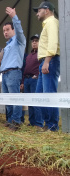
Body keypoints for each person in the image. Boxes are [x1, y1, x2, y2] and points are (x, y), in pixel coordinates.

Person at [0, 7, 26, 131]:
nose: (5, 32)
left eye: (7, 29)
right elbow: (4, 63)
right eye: (4, 31)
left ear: (13, 29)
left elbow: (20, 30)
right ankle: (9, 120)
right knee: (8, 99)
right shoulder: (7, 46)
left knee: (14, 98)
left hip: (14, 72)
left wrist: (14, 17)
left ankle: (16, 122)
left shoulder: (18, 41)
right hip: (5, 73)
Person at [33, 1, 60, 132]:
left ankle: (52, 126)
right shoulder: (47, 24)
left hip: (50, 61)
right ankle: (47, 124)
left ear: (47, 10)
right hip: (45, 62)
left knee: (49, 94)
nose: (37, 13)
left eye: (39, 10)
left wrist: (47, 61)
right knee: (40, 95)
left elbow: (53, 42)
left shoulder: (52, 22)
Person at [20, 34, 43, 128]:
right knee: (29, 102)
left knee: (36, 101)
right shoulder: (29, 56)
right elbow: (24, 69)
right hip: (27, 79)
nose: (34, 42)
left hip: (35, 79)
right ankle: (32, 122)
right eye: (33, 41)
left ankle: (39, 123)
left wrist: (37, 75)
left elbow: (43, 67)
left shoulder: (42, 54)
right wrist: (22, 82)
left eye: (36, 41)